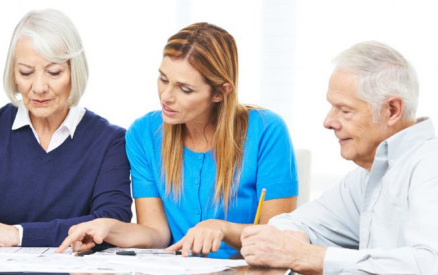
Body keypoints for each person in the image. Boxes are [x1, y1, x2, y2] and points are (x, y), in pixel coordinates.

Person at [240, 41, 438, 274]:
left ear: (392, 110)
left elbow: (433, 268)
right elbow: (292, 223)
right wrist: (290, 241)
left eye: (345, 110)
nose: (328, 121)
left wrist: (308, 256)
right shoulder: (369, 176)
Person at [56, 22, 298, 259]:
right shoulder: (144, 133)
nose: (166, 96)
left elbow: (278, 238)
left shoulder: (266, 131)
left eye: (185, 89)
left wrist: (222, 228)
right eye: (163, 79)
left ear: (220, 92)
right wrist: (108, 227)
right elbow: (157, 233)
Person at [0, 9, 132, 252]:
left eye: (54, 72)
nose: (39, 87)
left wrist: (17, 234)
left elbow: (111, 222)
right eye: (26, 72)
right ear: (13, 73)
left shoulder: (109, 141)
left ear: (75, 71)